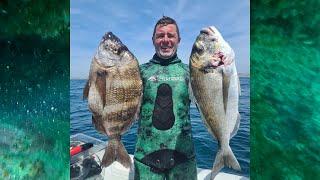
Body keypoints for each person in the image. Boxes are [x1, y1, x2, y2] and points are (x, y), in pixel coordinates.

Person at [133, 16, 233, 180]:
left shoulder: (193, 72)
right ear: (153, 40)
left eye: (170, 35)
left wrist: (224, 65)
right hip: (145, 159)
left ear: (178, 40)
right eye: (160, 36)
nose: (166, 40)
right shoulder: (139, 72)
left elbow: (218, 92)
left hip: (183, 159)